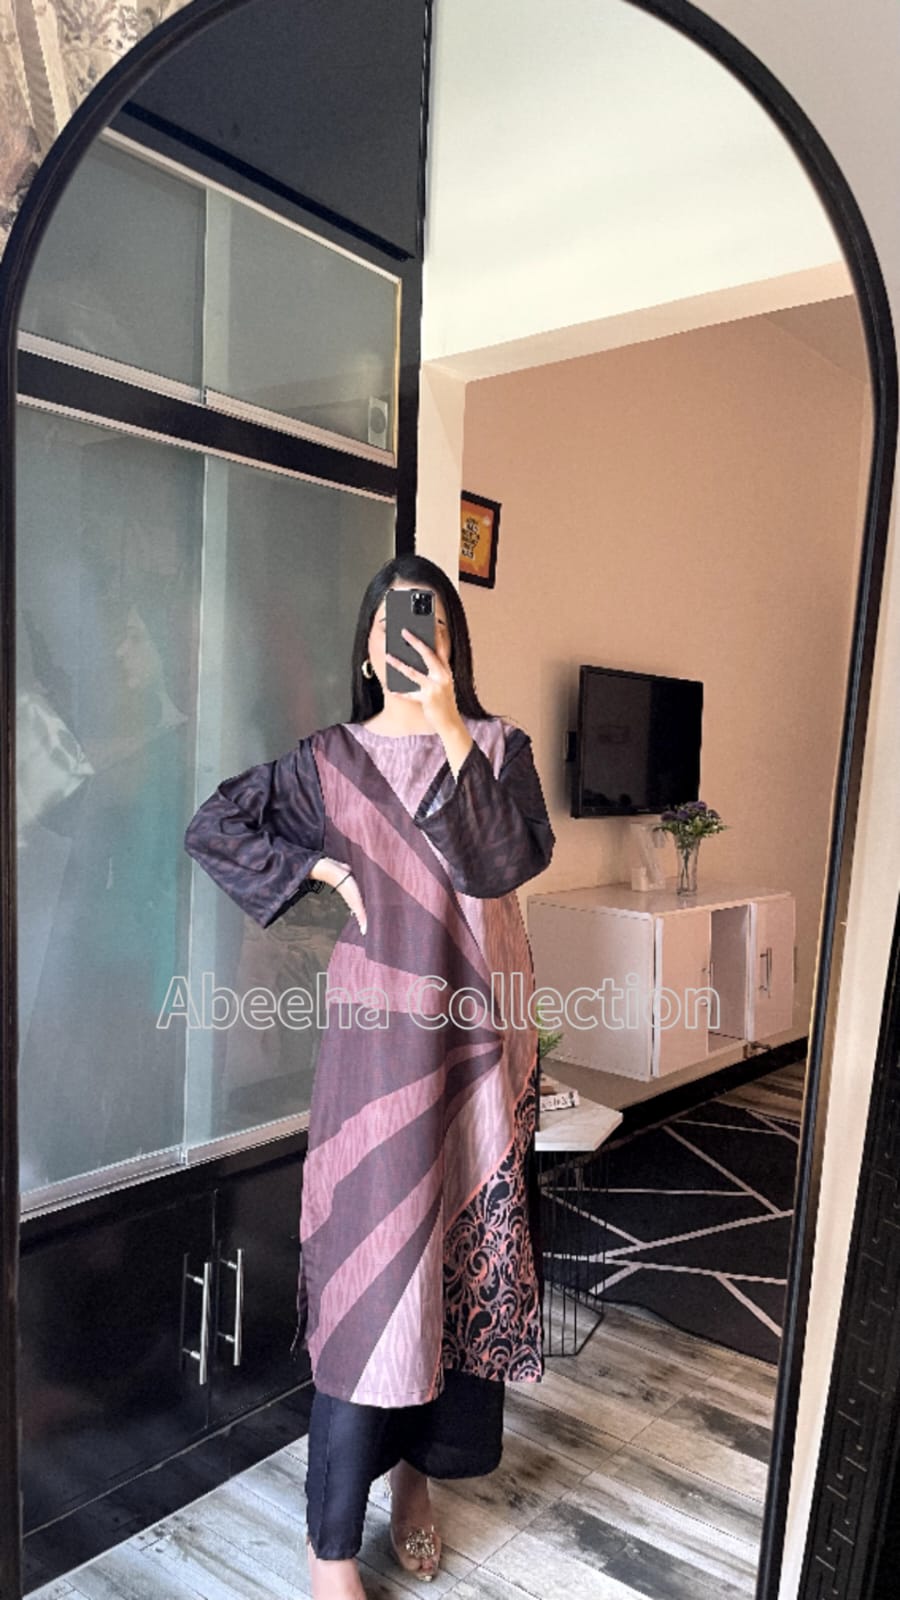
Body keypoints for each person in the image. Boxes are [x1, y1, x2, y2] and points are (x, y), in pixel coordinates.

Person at [183, 552, 555, 1598]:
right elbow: (215, 825)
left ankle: (416, 1481)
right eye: (394, 626)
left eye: (430, 625)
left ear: (453, 646)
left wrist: (448, 722)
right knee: (372, 1289)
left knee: (452, 1272)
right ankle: (330, 1550)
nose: (411, 641)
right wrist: (316, 867)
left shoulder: (499, 747)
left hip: (478, 1061)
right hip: (379, 1064)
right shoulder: (328, 763)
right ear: (366, 648)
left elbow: (505, 864)